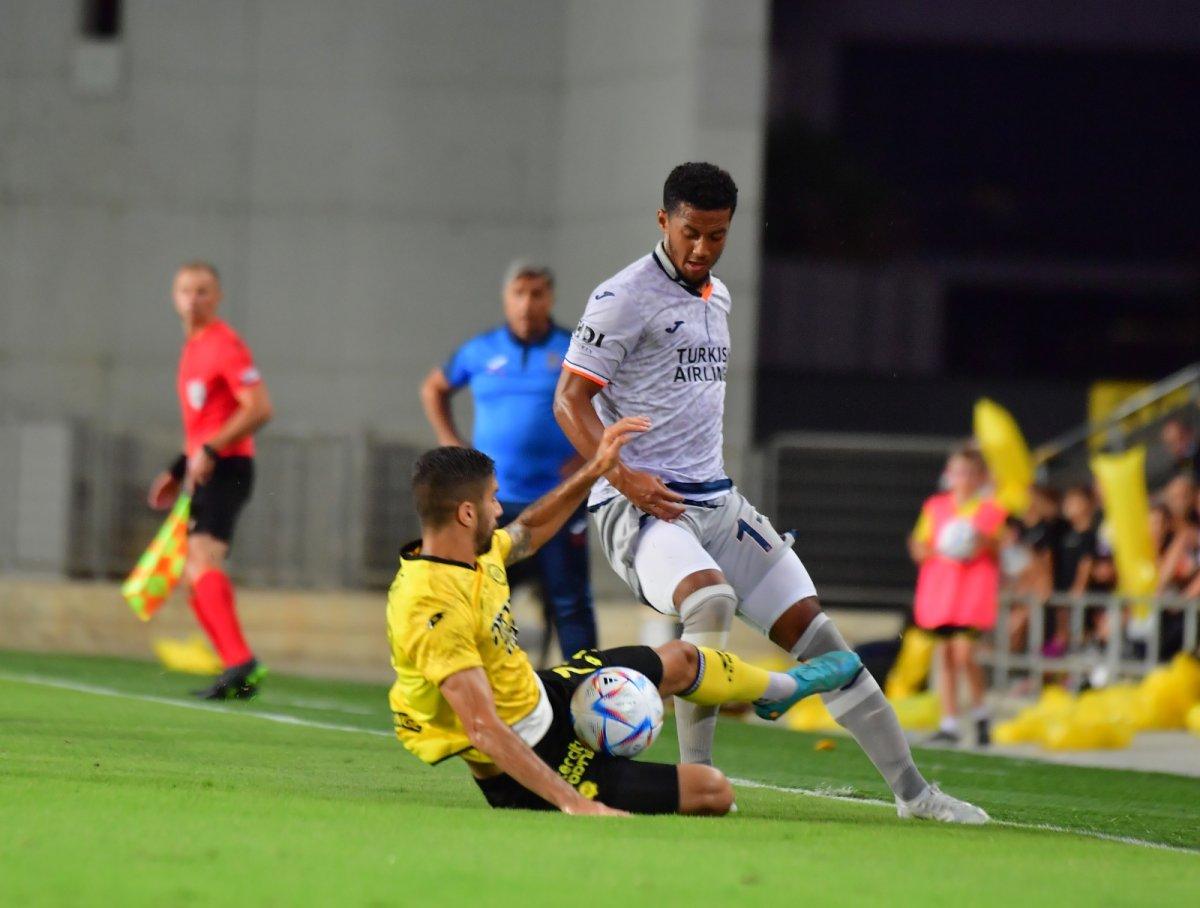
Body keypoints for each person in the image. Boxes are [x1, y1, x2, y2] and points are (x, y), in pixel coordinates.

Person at [553, 162, 988, 823]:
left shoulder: (719, 297)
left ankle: (915, 795)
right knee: (710, 600)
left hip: (717, 503)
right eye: (691, 232)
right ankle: (697, 783)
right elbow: (568, 400)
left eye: (718, 235)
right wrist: (624, 476)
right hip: (642, 506)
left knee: (828, 646)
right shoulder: (623, 297)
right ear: (664, 220)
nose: (702, 248)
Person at [386, 417, 862, 816]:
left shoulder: (474, 551)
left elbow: (528, 531)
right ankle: (603, 774)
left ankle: (782, 690)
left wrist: (597, 469)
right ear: (467, 514)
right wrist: (575, 803)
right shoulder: (432, 608)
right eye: (492, 498)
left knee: (682, 658)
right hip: (530, 756)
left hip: (543, 695)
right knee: (713, 791)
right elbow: (483, 729)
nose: (499, 508)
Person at [420, 261, 594, 664]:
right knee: (480, 595)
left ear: (550, 298)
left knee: (569, 601)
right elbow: (434, 388)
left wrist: (587, 453)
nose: (527, 304)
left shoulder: (573, 349)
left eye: (537, 294)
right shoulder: (481, 350)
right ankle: (474, 676)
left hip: (556, 502)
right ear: (506, 298)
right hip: (493, 503)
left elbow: (612, 396)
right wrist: (449, 441)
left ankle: (588, 685)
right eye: (519, 294)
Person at [146, 261, 273, 699]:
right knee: (193, 573)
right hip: (207, 469)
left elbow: (259, 408)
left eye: (203, 291)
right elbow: (204, 425)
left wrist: (213, 451)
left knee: (202, 559)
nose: (193, 299)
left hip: (230, 467)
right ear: (173, 297)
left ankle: (240, 663)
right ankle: (235, 666)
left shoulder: (225, 345)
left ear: (217, 297)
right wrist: (177, 468)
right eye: (186, 290)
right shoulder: (193, 348)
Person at [908, 447, 1006, 746]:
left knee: (965, 655)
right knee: (946, 655)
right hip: (941, 594)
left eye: (969, 473)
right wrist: (934, 549)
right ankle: (949, 722)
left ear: (980, 477)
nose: (962, 479)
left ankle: (980, 713)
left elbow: (997, 548)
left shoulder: (990, 510)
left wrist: (978, 542)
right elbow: (920, 544)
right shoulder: (935, 507)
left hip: (972, 595)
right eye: (957, 472)